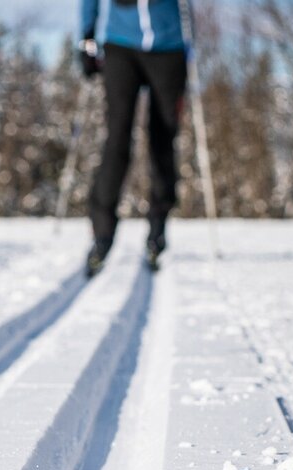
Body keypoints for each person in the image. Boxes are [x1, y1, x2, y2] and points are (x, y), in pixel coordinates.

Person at [79, 0, 189, 276]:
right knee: (116, 140)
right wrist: (87, 39)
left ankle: (157, 229)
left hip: (169, 46)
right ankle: (102, 234)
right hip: (120, 45)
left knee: (162, 140)